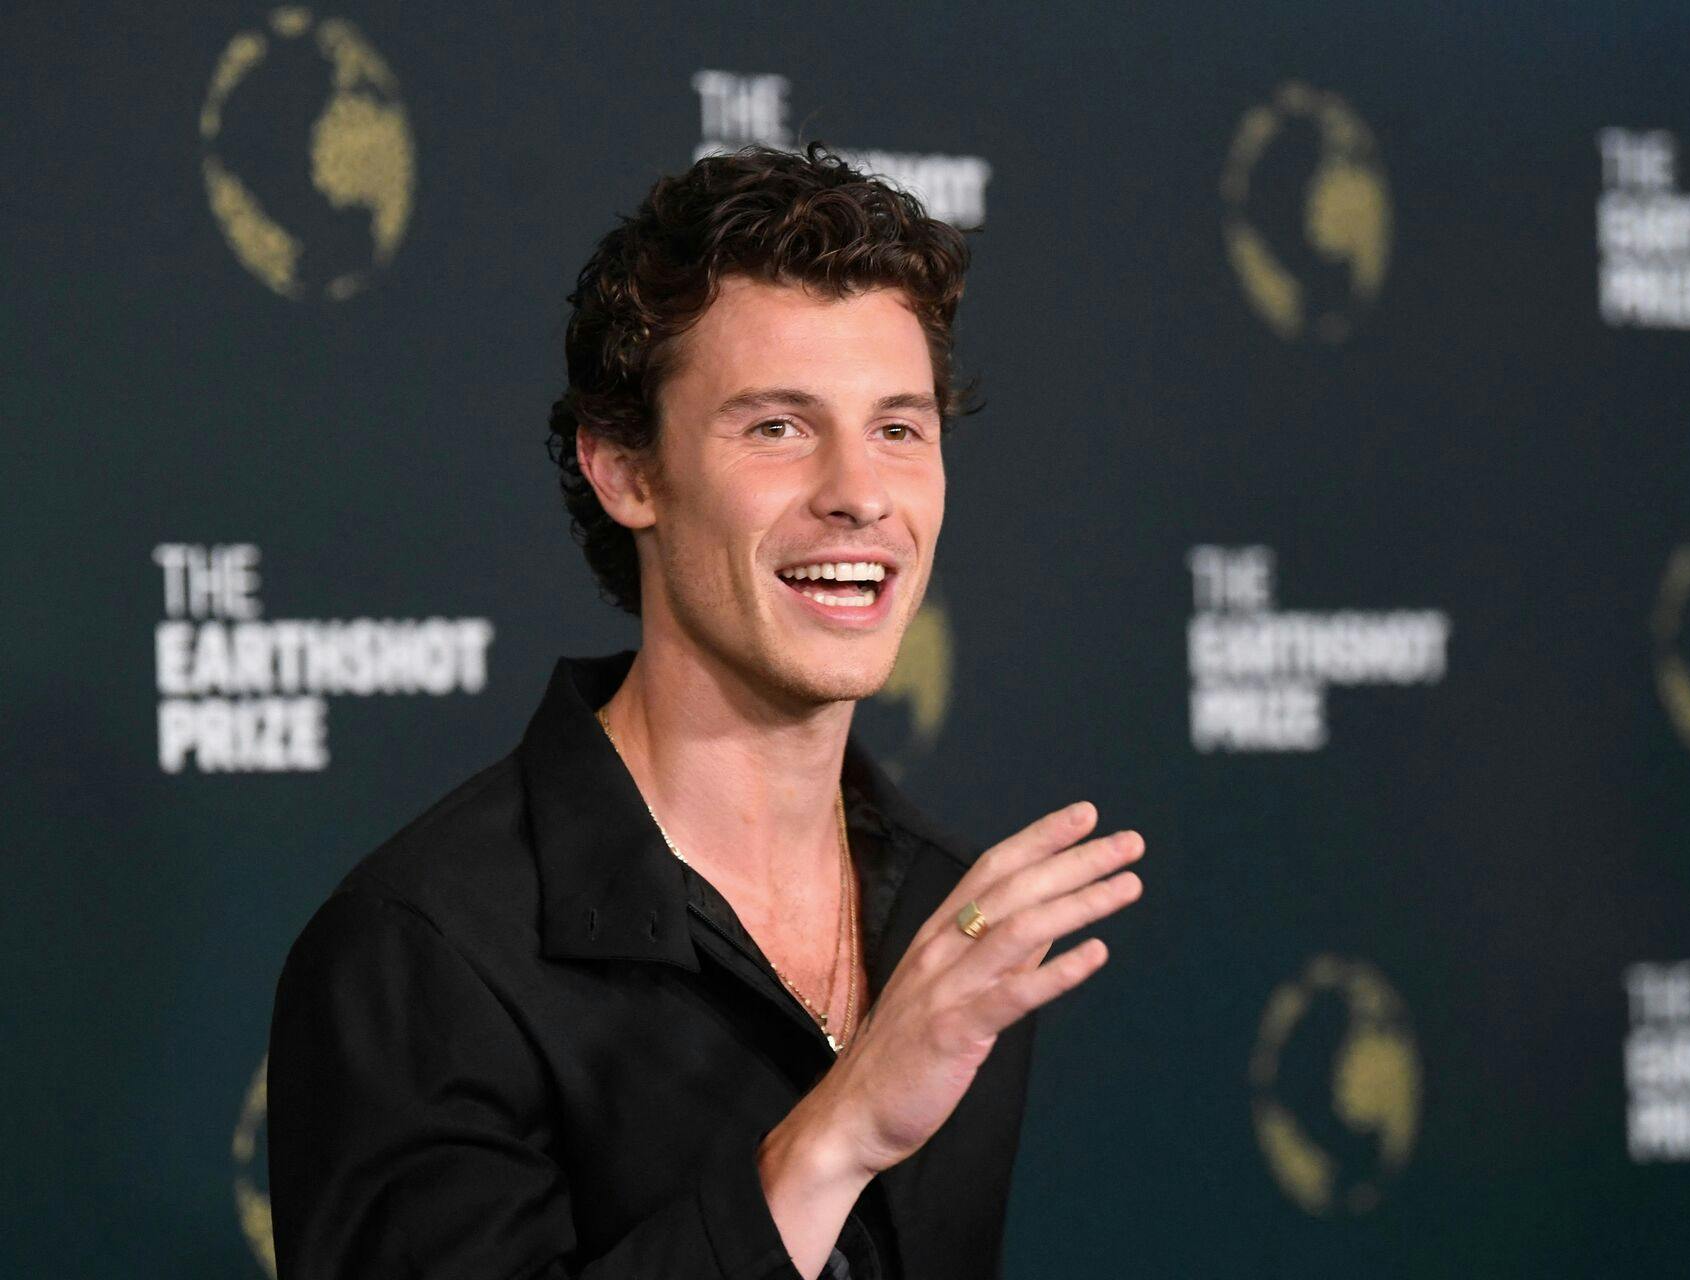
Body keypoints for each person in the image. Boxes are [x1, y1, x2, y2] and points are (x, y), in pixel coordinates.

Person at [267, 143, 1146, 1280]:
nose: (860, 493)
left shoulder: (944, 919)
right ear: (625, 470)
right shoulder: (421, 953)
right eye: (777, 426)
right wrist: (831, 1140)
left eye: (899, 426)